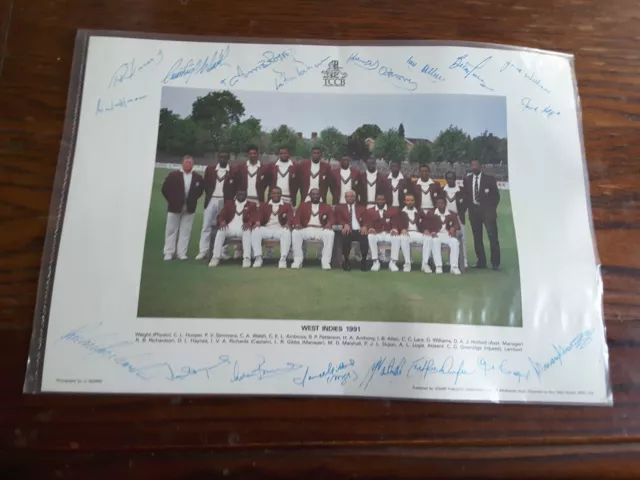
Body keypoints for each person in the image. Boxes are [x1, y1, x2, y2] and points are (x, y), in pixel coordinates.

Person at [161, 155, 204, 260]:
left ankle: (181, 253)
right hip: (174, 206)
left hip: (189, 207)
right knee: (171, 230)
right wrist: (172, 200)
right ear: (182, 163)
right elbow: (165, 189)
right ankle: (169, 252)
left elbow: (199, 191)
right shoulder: (173, 175)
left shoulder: (197, 177)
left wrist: (192, 200)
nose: (189, 164)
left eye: (190, 162)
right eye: (187, 162)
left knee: (186, 231)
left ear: (193, 164)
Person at [196, 151, 236, 260]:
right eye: (221, 157)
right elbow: (206, 184)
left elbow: (235, 187)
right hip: (212, 200)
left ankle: (223, 251)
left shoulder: (233, 171)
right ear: (218, 158)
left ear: (228, 159)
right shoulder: (210, 169)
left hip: (225, 201)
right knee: (206, 225)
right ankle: (203, 250)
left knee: (224, 226)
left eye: (225, 157)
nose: (223, 159)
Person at [463, 159, 501, 270]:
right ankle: (481, 262)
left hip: (487, 212)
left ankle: (495, 263)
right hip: (473, 212)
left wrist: (491, 209)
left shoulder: (489, 179)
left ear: (481, 166)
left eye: (476, 165)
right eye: (472, 165)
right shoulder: (468, 179)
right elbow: (466, 195)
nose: (473, 167)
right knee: (477, 238)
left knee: (492, 237)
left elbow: (496, 196)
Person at [209, 190, 257, 268]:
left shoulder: (251, 205)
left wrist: (249, 223)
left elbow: (254, 216)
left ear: (246, 196)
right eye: (239, 194)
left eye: (243, 194)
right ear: (236, 195)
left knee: (247, 231)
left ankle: (246, 258)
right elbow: (221, 215)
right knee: (221, 231)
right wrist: (222, 222)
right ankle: (215, 257)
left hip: (242, 227)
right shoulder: (229, 204)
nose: (241, 196)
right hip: (230, 227)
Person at [291, 188, 335, 269]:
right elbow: (296, 217)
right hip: (306, 229)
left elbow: (332, 219)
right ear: (310, 196)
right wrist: (297, 224)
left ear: (320, 196)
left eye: (317, 194)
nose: (315, 196)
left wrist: (329, 224)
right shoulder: (303, 205)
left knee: (330, 233)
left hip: (320, 229)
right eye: (313, 194)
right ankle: (297, 260)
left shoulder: (326, 206)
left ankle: (325, 262)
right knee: (295, 232)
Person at [251, 187, 294, 269]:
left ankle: (283, 259)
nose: (276, 195)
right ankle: (258, 258)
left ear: (281, 194)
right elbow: (258, 216)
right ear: (270, 194)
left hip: (280, 229)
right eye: (274, 193)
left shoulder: (287, 206)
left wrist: (288, 223)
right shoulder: (264, 205)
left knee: (287, 231)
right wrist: (257, 222)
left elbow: (290, 217)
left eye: (278, 193)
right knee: (256, 230)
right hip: (267, 229)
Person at [425, 196, 462, 275]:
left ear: (445, 204)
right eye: (438, 203)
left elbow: (458, 225)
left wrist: (453, 228)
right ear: (436, 204)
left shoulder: (452, 214)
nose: (440, 205)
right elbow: (426, 225)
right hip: (436, 235)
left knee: (455, 242)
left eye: (442, 203)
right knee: (435, 241)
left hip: (447, 235)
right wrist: (432, 232)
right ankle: (438, 266)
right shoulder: (431, 213)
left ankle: (454, 267)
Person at [334, 190, 369, 271]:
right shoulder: (340, 208)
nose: (349, 198)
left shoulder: (362, 208)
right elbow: (337, 219)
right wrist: (344, 224)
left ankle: (364, 261)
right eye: (347, 197)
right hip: (348, 230)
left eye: (351, 196)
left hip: (359, 230)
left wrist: (365, 226)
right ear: (345, 198)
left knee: (364, 237)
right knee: (345, 237)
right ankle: (346, 260)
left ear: (355, 197)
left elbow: (367, 220)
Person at [365, 193, 401, 272]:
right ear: (375, 200)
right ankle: (375, 261)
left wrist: (394, 230)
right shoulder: (370, 211)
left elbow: (395, 223)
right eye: (379, 199)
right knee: (370, 236)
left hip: (388, 233)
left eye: (382, 199)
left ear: (385, 200)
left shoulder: (392, 210)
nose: (380, 201)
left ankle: (393, 262)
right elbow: (368, 222)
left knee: (396, 237)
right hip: (377, 234)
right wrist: (371, 228)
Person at [396, 193, 431, 273]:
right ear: (405, 201)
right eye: (408, 200)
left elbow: (426, 221)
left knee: (428, 238)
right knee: (403, 237)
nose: (410, 202)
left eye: (412, 200)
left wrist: (425, 229)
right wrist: (402, 229)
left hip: (418, 233)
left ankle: (425, 264)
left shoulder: (419, 211)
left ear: (414, 201)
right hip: (407, 233)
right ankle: (407, 263)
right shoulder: (401, 212)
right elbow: (396, 223)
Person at [443, 171, 468, 268]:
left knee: (462, 239)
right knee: (449, 238)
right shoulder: (443, 190)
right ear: (446, 179)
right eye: (448, 178)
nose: (450, 180)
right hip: (447, 217)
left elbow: (465, 204)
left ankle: (464, 261)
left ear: (455, 179)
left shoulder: (461, 190)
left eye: (452, 178)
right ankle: (450, 260)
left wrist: (462, 212)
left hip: (458, 217)